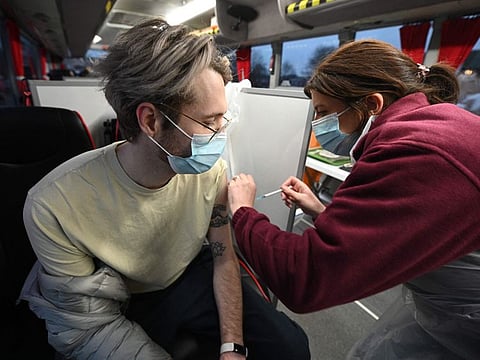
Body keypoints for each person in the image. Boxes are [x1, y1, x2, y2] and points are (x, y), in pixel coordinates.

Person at [20, 19, 310, 360]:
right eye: (209, 122)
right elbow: (88, 326)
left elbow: (223, 258)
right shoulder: (52, 204)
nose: (221, 133)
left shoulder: (211, 170)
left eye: (223, 118)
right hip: (123, 298)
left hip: (188, 273)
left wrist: (232, 347)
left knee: (290, 348)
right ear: (151, 121)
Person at [227, 39, 480, 359]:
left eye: (325, 113)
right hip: (451, 302)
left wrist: (244, 211)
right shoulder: (432, 124)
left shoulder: (415, 153)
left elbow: (305, 277)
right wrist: (323, 212)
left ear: (372, 104)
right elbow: (398, 227)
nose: (319, 127)